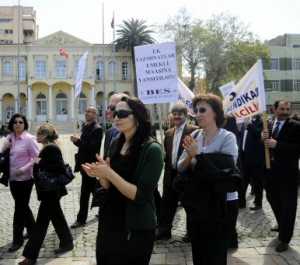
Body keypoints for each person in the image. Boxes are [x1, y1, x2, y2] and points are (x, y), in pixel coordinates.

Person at [82, 96, 164, 265]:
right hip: (110, 220)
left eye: (122, 113)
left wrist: (109, 173)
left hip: (135, 226)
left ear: (138, 117)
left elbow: (140, 195)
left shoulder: (152, 149)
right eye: (113, 112)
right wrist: (101, 174)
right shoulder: (115, 143)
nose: (116, 117)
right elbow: (107, 186)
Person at [177, 93, 239, 265]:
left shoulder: (227, 137)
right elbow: (180, 166)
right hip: (196, 205)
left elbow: (225, 172)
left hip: (219, 206)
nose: (198, 114)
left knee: (216, 254)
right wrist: (191, 158)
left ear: (216, 113)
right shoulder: (195, 135)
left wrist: (197, 156)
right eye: (196, 110)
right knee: (199, 253)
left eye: (203, 110)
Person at [19, 124, 74, 265]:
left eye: (38, 134)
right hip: (50, 191)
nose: (36, 136)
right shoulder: (48, 147)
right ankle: (67, 242)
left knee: (41, 224)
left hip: (50, 191)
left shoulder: (50, 148)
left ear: (44, 135)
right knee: (57, 218)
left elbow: (58, 167)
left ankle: (30, 256)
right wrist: (39, 162)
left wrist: (39, 162)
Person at [156, 102, 197, 241]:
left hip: (186, 174)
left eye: (180, 114)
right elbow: (168, 154)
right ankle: (164, 231)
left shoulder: (194, 131)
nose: (177, 116)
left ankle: (191, 233)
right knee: (167, 204)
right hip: (170, 173)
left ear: (185, 115)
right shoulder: (168, 133)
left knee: (189, 204)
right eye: (174, 114)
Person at [263, 100, 300, 252]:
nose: (285, 111)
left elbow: (298, 148)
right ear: (274, 109)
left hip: (289, 174)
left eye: (287, 109)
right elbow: (266, 145)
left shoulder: (296, 126)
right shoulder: (269, 124)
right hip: (270, 172)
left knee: (288, 207)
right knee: (272, 199)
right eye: (282, 109)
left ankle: (285, 239)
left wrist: (277, 145)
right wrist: (263, 138)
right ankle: (282, 224)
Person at [3, 114, 39, 252]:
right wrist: (4, 147)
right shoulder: (9, 138)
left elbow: (36, 158)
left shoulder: (29, 139)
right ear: (12, 124)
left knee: (19, 209)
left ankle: (17, 240)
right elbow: (2, 155)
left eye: (21, 122)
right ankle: (33, 230)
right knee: (23, 206)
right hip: (12, 179)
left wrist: (23, 169)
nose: (18, 124)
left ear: (25, 124)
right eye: (15, 122)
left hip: (26, 180)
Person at [70, 106, 103, 228]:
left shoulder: (97, 129)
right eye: (86, 111)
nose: (87, 113)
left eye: (90, 112)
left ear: (95, 114)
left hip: (90, 165)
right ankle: (103, 209)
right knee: (94, 190)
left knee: (85, 193)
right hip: (83, 164)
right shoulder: (85, 127)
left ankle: (81, 219)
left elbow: (92, 148)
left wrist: (77, 141)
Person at [240, 114, 265, 211]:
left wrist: (249, 124)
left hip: (256, 159)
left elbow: (259, 135)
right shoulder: (243, 122)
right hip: (244, 157)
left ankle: (258, 203)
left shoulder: (262, 122)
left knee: (257, 183)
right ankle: (241, 202)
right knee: (243, 182)